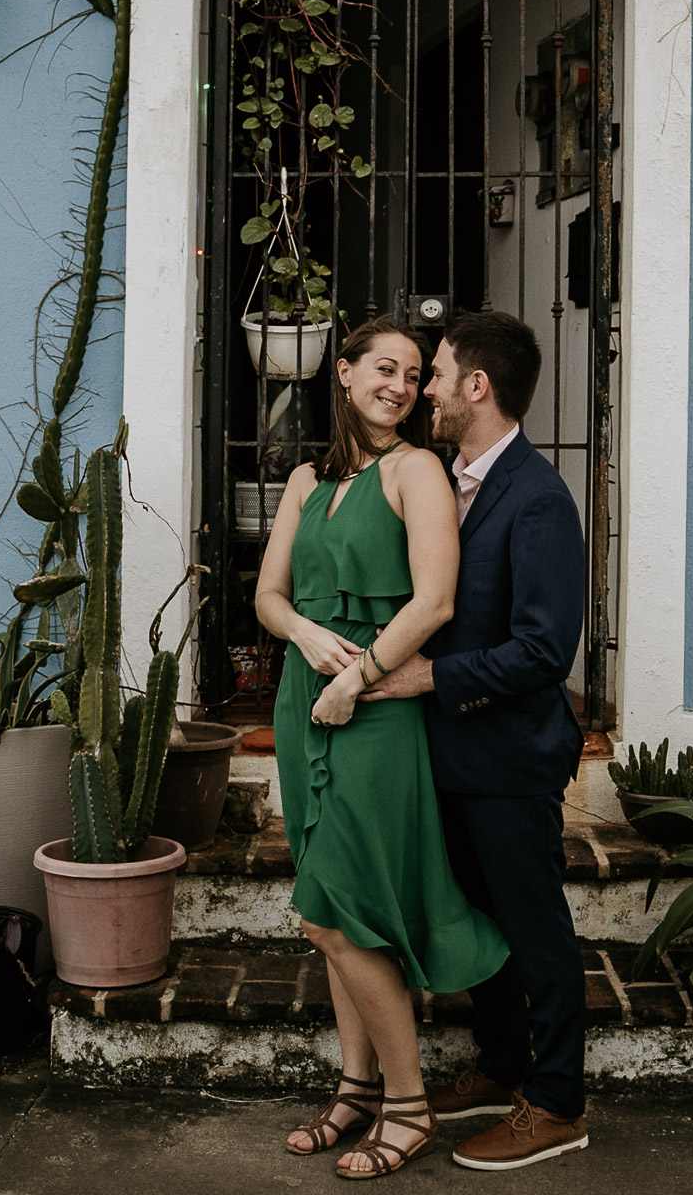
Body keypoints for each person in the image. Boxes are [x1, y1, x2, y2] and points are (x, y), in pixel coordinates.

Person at [255, 317, 509, 1181]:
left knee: (332, 909)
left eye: (412, 374)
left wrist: (355, 673)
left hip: (373, 706)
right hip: (305, 698)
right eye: (384, 369)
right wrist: (304, 638)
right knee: (335, 912)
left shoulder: (418, 472)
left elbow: (433, 603)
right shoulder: (302, 480)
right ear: (345, 371)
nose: (400, 386)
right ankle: (355, 1086)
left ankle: (408, 1105)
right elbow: (269, 596)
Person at [362, 310, 589, 1172]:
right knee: (476, 926)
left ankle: (559, 1103)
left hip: (509, 759)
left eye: (438, 374)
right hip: (447, 755)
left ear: (477, 387)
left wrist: (428, 679)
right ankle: (502, 1069)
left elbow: (543, 649)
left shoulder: (537, 498)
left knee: (535, 934)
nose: (424, 391)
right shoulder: (440, 480)